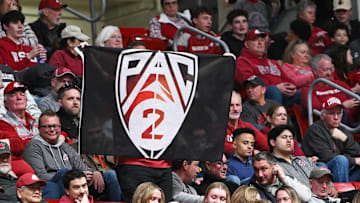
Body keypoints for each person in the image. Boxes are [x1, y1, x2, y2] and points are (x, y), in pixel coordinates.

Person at [23, 110, 121, 201]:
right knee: (63, 172)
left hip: (76, 184)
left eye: (55, 126)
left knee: (110, 175)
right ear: (39, 129)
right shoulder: (33, 147)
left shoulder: (65, 147)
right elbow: (41, 176)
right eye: (47, 126)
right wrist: (70, 177)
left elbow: (82, 167)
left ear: (60, 127)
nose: (52, 130)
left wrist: (94, 173)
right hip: (55, 185)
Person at [235, 29, 300, 107]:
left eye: (262, 40)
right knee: (273, 90)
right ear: (246, 44)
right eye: (255, 40)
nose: (260, 43)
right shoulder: (242, 61)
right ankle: (274, 118)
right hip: (256, 100)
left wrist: (291, 87)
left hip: (282, 97)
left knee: (304, 93)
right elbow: (250, 83)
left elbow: (288, 80)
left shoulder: (273, 62)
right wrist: (277, 87)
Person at [302, 96, 360, 182]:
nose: (336, 117)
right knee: (341, 160)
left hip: (344, 170)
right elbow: (326, 157)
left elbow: (357, 151)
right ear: (322, 116)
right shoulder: (314, 130)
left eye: (339, 113)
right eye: (332, 113)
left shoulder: (342, 130)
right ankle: (343, 194)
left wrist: (345, 139)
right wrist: (354, 160)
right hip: (323, 170)